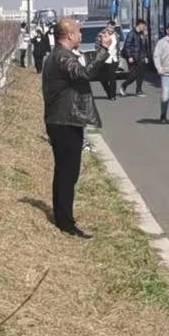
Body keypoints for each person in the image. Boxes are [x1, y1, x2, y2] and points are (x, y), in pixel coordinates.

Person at [41, 18, 116, 238]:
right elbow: (84, 73)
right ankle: (65, 222)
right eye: (78, 31)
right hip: (64, 122)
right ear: (69, 35)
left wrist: (99, 50)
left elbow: (84, 64)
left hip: (64, 119)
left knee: (66, 173)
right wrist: (104, 50)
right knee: (67, 174)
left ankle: (63, 217)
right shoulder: (62, 57)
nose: (81, 35)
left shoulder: (63, 55)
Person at [119, 19, 151, 98]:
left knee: (140, 74)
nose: (144, 28)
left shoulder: (142, 34)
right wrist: (129, 56)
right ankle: (123, 85)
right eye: (144, 26)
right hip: (133, 58)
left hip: (141, 57)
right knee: (134, 75)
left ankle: (138, 90)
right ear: (139, 25)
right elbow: (127, 46)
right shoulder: (131, 34)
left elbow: (144, 47)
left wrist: (145, 56)